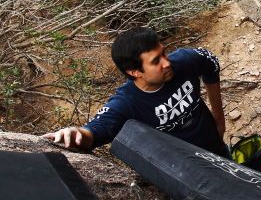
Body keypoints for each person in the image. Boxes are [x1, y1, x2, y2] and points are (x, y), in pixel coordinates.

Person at [43, 27, 229, 158]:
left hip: (217, 147)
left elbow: (209, 61)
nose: (167, 62)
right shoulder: (127, 103)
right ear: (134, 72)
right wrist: (77, 133)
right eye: (156, 61)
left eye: (164, 53)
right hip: (188, 169)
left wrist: (219, 120)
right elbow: (97, 130)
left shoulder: (184, 62)